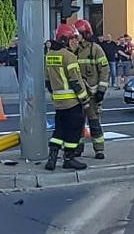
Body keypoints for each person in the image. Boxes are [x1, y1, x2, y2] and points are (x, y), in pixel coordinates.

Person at [43, 24, 90, 171]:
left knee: (59, 131)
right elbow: (76, 81)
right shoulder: (69, 56)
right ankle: (69, 158)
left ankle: (52, 157)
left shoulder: (50, 55)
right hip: (72, 102)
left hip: (58, 102)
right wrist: (85, 100)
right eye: (73, 39)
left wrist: (55, 95)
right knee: (73, 131)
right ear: (64, 40)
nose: (76, 42)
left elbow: (47, 80)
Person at [76, 19, 111, 159]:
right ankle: (77, 149)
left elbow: (104, 69)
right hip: (78, 95)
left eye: (78, 33)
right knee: (77, 124)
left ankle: (99, 149)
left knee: (94, 123)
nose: (75, 36)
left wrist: (102, 90)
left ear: (85, 33)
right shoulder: (73, 49)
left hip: (92, 95)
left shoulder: (95, 49)